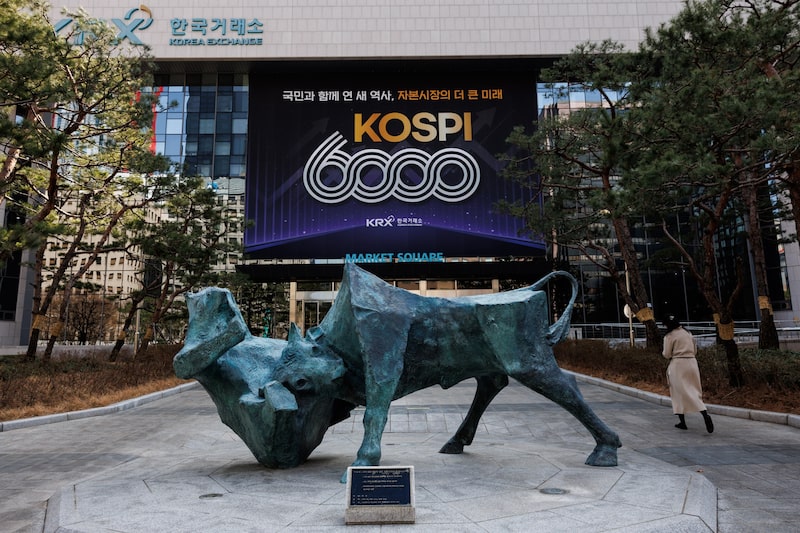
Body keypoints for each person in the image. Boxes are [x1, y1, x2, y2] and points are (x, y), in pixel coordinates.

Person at [661, 315, 713, 433]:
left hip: (678, 365)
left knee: (678, 393)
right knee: (694, 391)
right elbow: (695, 350)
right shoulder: (688, 333)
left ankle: (682, 422)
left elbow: (667, 354)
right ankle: (704, 414)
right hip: (692, 363)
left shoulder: (669, 336)